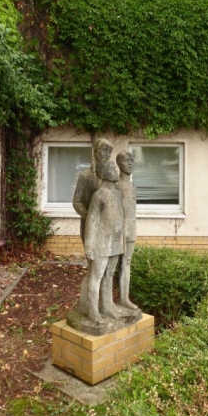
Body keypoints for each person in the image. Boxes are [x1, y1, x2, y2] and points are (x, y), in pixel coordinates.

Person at [72, 138, 113, 313]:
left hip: (108, 231)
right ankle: (87, 305)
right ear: (95, 151)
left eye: (109, 151)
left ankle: (106, 304)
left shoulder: (111, 175)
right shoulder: (86, 176)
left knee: (107, 270)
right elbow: (77, 201)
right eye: (104, 150)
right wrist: (90, 217)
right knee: (94, 268)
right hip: (91, 228)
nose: (106, 154)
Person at [83, 160, 124, 324]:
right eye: (112, 168)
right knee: (96, 276)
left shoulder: (118, 193)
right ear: (104, 173)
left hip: (115, 241)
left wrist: (121, 239)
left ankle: (108, 306)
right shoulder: (99, 195)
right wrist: (89, 245)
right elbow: (91, 220)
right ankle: (93, 310)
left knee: (109, 275)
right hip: (101, 242)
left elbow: (120, 218)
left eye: (116, 168)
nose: (116, 170)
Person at [116, 151, 139, 310]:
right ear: (118, 163)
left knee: (127, 262)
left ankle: (124, 298)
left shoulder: (132, 185)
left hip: (131, 227)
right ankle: (107, 302)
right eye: (126, 160)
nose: (130, 163)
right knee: (110, 266)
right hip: (117, 229)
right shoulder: (115, 185)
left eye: (132, 160)